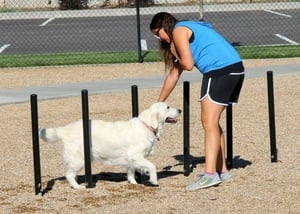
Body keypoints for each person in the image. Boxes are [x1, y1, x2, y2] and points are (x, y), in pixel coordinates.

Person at [150, 12, 245, 190]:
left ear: (165, 26)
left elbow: (188, 64)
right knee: (213, 123)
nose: (158, 38)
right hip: (234, 70)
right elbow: (174, 75)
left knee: (208, 122)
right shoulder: (188, 28)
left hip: (219, 72)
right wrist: (159, 103)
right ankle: (222, 171)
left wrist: (173, 51)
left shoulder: (178, 31)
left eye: (157, 33)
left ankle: (210, 175)